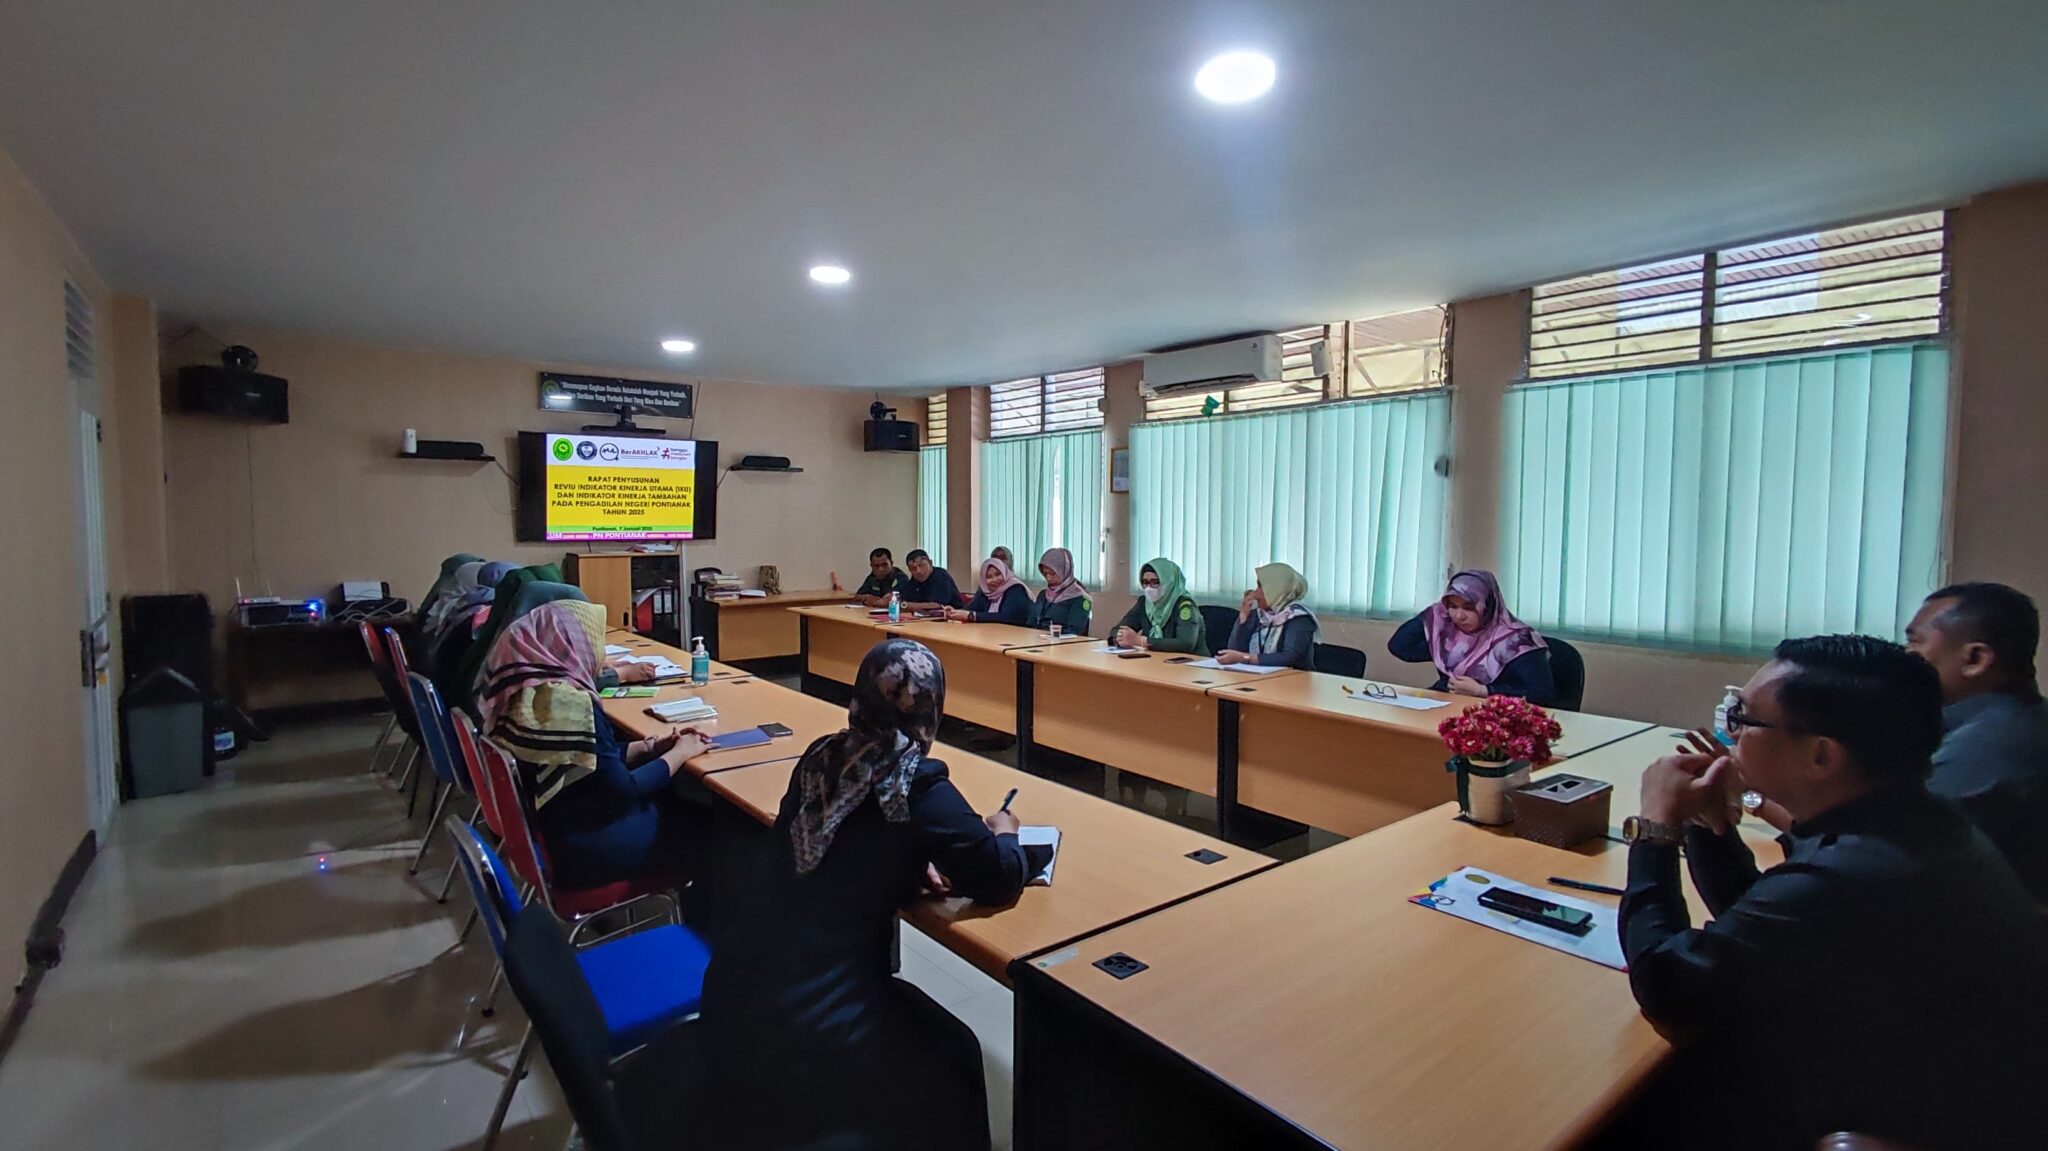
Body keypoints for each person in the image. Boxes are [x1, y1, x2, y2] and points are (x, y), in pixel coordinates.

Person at [1616, 635, 2048, 1151]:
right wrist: (1710, 822)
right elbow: (1760, 916)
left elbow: (1666, 987)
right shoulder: (1908, 820)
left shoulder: (1855, 871)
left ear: (1821, 755)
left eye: (1743, 719)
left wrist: (1655, 827)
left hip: (1892, 1115)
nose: (1731, 733)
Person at [701, 639, 1026, 1150]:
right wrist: (1006, 832)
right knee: (958, 1050)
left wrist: (905, 862)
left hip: (731, 990)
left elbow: (837, 847)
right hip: (809, 1023)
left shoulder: (819, 757)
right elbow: (999, 877)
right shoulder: (916, 785)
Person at [479, 599, 708, 889]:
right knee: (710, 822)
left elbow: (590, 761)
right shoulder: (572, 706)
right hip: (586, 846)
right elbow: (624, 790)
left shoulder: (523, 697)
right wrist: (680, 754)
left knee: (676, 798)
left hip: (554, 828)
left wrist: (648, 748)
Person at [1905, 580, 2048, 901]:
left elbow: (1883, 851)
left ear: (1975, 659)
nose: (1905, 657)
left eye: (1915, 643)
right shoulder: (2024, 721)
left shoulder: (1987, 748)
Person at [1388, 570, 1555, 700]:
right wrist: (1434, 613)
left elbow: (1542, 695)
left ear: (1488, 606)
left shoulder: (1517, 640)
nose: (1459, 616)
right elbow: (1399, 647)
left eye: (1469, 607)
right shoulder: (1451, 634)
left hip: (1495, 716)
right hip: (1447, 706)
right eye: (1453, 606)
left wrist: (1484, 691)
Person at [1217, 562, 1318, 669]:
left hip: (1294, 677)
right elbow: (1234, 650)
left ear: (1275, 590)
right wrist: (1243, 618)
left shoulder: (1298, 617)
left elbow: (1290, 657)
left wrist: (1245, 658)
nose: (1255, 593)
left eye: (1260, 587)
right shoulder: (1259, 614)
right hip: (1258, 675)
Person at [1110, 557, 1209, 654]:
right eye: (1145, 582)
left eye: (1155, 582)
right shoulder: (1144, 603)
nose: (1149, 588)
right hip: (1156, 660)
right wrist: (1122, 638)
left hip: (1191, 661)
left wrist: (1142, 641)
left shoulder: (1185, 606)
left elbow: (1185, 644)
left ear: (1169, 582)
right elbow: (1116, 630)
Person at [946, 556, 1031, 625]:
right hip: (991, 635)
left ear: (1005, 572)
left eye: (998, 574)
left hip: (1015, 636)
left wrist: (971, 616)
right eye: (989, 577)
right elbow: (970, 609)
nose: (994, 580)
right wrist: (954, 612)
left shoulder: (1015, 588)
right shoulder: (987, 592)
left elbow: (1007, 617)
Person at [1029, 547, 1092, 635]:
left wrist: (1049, 636)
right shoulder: (1043, 595)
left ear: (1064, 571)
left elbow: (1074, 631)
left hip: (1062, 642)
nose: (1049, 578)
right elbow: (1030, 623)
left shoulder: (1081, 598)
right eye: (1045, 573)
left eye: (1052, 573)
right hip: (1037, 639)